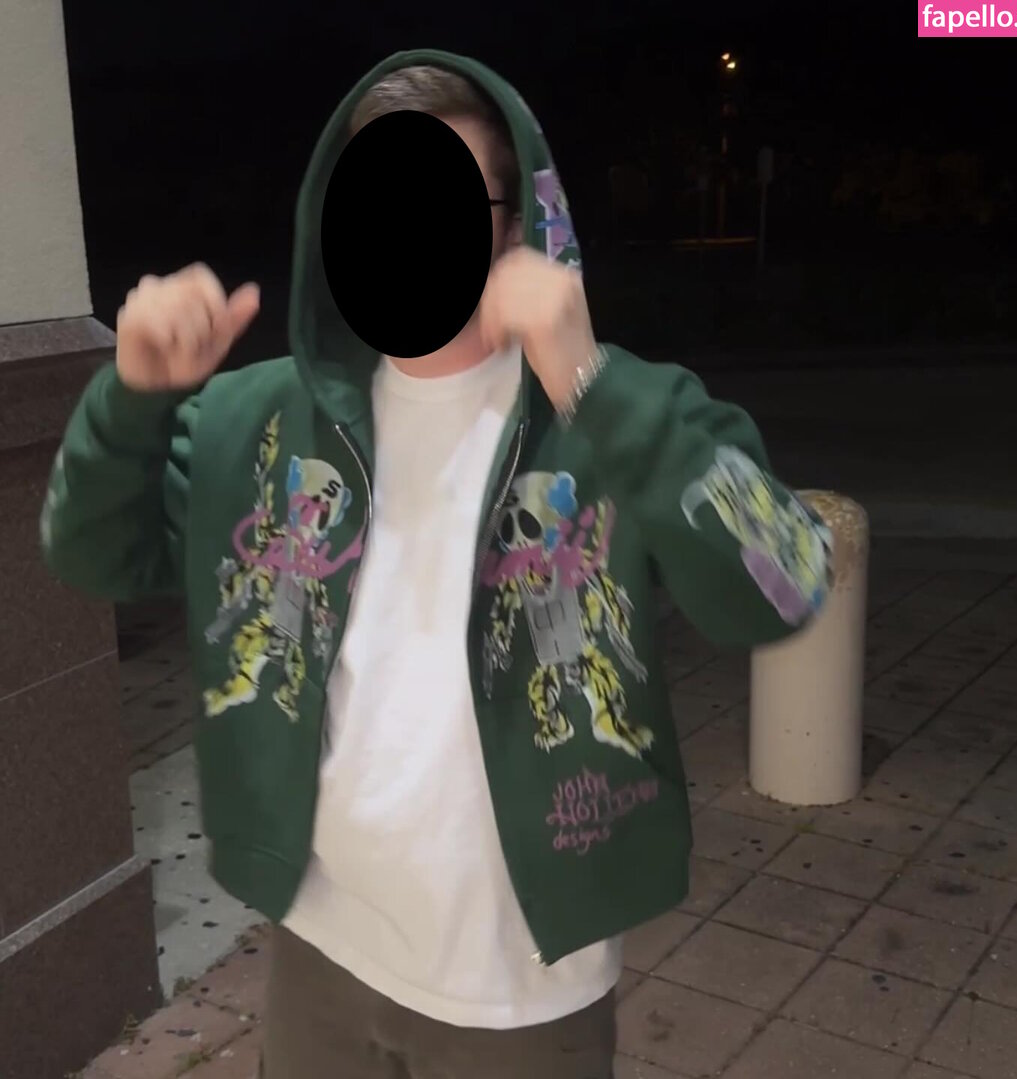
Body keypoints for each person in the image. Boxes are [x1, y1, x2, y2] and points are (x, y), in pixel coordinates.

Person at [41, 50, 833, 1079]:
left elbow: (779, 586)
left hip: (522, 986)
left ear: (514, 227)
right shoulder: (258, 418)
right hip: (321, 943)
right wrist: (133, 397)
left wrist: (590, 381)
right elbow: (91, 550)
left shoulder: (614, 410)